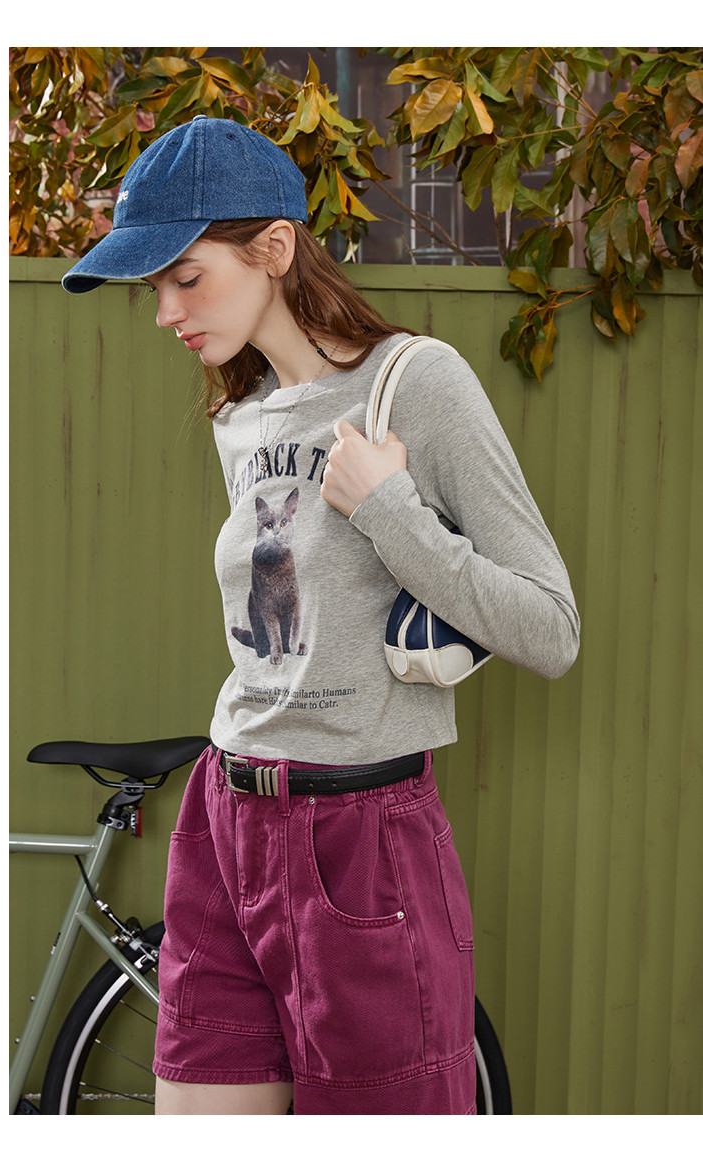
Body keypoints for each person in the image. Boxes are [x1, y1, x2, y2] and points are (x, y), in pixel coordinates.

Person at [62, 114, 580, 1115]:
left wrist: (391, 512)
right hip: (223, 819)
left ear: (274, 248)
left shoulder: (415, 383)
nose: (166, 313)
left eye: (186, 277)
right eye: (154, 288)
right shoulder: (239, 414)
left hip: (360, 837)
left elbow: (552, 628)